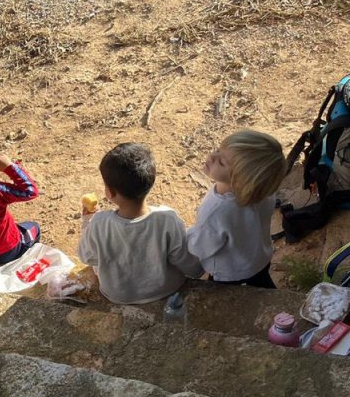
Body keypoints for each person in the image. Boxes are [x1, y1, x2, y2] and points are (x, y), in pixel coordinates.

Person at [78, 142, 202, 304]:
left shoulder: (99, 223)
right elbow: (186, 261)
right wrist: (200, 272)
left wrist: (88, 221)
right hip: (166, 288)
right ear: (150, 183)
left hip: (117, 294)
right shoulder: (167, 219)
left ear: (110, 192)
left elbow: (87, 257)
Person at [187, 130, 285, 288]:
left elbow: (200, 247)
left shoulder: (216, 210)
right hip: (259, 259)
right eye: (218, 150)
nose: (211, 156)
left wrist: (182, 236)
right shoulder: (263, 191)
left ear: (239, 180)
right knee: (262, 284)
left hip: (231, 272)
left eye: (221, 162)